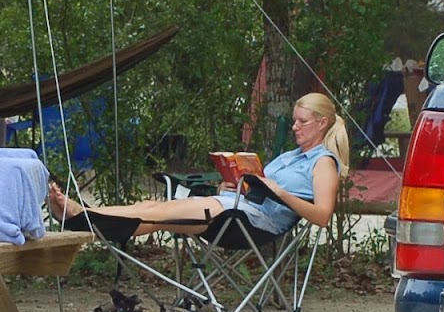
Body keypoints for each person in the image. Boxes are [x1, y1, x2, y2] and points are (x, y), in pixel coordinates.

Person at [49, 93, 350, 237]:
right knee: (152, 210)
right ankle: (81, 219)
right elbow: (258, 190)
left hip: (254, 222)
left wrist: (279, 192)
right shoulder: (290, 156)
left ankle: (80, 215)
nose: (295, 127)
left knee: (161, 213)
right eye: (294, 121)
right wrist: (232, 185)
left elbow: (323, 216)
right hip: (236, 207)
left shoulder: (323, 162)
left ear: (322, 123)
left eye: (302, 122)